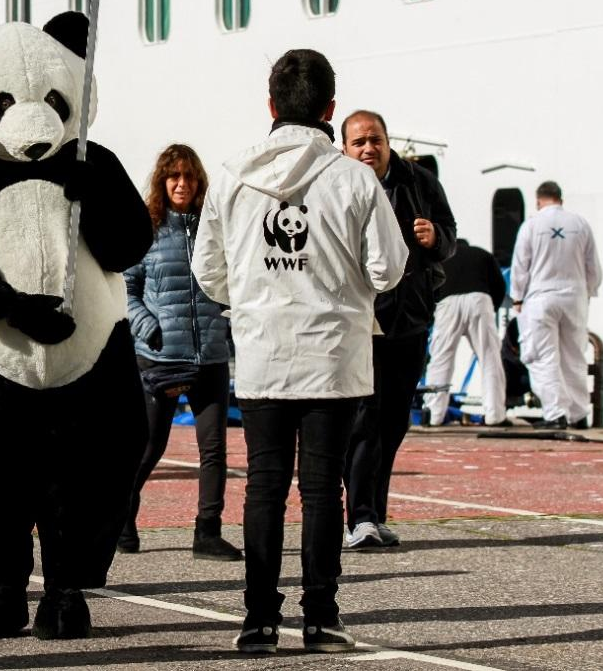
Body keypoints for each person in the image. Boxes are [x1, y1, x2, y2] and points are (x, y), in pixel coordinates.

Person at [194, 49, 407, 655]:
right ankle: (322, 618)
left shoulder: (232, 174)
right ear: (330, 109)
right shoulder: (354, 177)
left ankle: (258, 619)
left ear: (271, 105)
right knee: (321, 490)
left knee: (263, 486)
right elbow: (389, 269)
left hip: (262, 352)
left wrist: (255, 297)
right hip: (333, 355)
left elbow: (207, 270)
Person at [341, 111, 456, 551]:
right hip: (362, 320)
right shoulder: (338, 184)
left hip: (410, 317)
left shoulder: (420, 181)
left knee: (392, 423)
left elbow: (450, 235)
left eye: (375, 140)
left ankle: (375, 514)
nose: (368, 148)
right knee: (364, 421)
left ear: (388, 143)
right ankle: (360, 517)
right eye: (359, 142)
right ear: (345, 148)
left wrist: (435, 238)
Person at [120, 143, 240, 561]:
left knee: (214, 450)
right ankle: (122, 515)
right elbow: (125, 290)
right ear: (162, 181)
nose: (182, 184)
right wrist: (147, 325)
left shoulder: (215, 229)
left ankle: (207, 531)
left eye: (189, 176)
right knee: (150, 446)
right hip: (160, 358)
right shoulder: (147, 230)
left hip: (209, 357)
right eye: (174, 176)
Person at [510, 181, 601, 429]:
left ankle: (555, 414)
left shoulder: (531, 225)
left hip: (541, 298)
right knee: (574, 356)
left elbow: (521, 265)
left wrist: (517, 297)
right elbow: (593, 265)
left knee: (543, 357)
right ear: (560, 198)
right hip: (574, 297)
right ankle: (579, 415)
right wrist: (588, 293)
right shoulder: (580, 224)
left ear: (539, 200)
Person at [424, 238, 509, 426]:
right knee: (490, 358)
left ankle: (434, 415)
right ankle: (495, 415)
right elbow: (500, 285)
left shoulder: (441, 258)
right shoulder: (482, 254)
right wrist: (491, 310)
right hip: (479, 300)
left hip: (447, 303)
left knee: (441, 359)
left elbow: (429, 286)